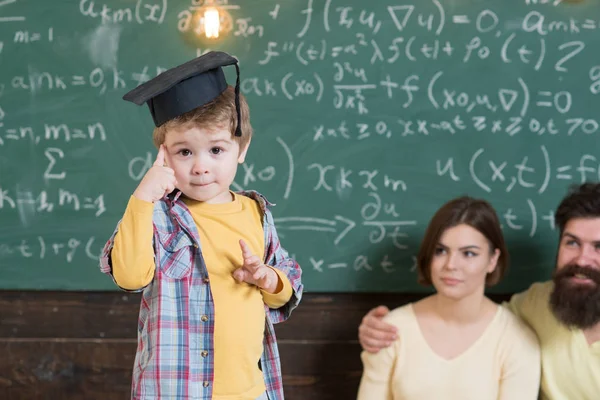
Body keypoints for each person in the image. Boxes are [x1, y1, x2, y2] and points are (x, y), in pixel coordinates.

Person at [99, 51, 303, 400]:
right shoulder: (157, 215)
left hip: (251, 391)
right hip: (177, 391)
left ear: (242, 147)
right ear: (163, 155)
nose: (201, 167)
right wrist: (142, 198)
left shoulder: (257, 213)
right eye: (184, 152)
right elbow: (130, 277)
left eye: (217, 150)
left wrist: (268, 278)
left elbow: (287, 285)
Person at [359, 183, 600, 400]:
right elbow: (481, 321)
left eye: (598, 247)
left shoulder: (518, 340)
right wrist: (373, 330)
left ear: (492, 259)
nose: (582, 259)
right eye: (572, 243)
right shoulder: (535, 305)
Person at [357, 196, 540, 400]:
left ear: (492, 260)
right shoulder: (391, 331)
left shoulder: (516, 341)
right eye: (441, 251)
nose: (451, 265)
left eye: (469, 253)